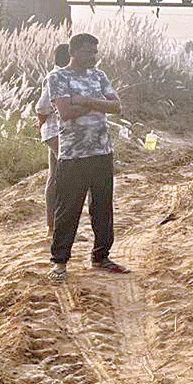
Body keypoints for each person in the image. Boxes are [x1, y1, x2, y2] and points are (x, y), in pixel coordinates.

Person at [46, 33, 128, 281]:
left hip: (102, 151)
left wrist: (87, 101)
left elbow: (117, 106)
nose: (92, 57)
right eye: (87, 52)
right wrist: (98, 104)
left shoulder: (99, 76)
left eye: (94, 52)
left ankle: (101, 256)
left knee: (103, 207)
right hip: (73, 154)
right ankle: (59, 263)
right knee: (68, 209)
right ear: (73, 52)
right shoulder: (58, 77)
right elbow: (66, 112)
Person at [36, 43, 70, 233]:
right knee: (65, 177)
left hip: (56, 132)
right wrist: (41, 123)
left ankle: (53, 226)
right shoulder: (56, 77)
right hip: (55, 131)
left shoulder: (65, 76)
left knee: (55, 177)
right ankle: (57, 226)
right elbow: (43, 107)